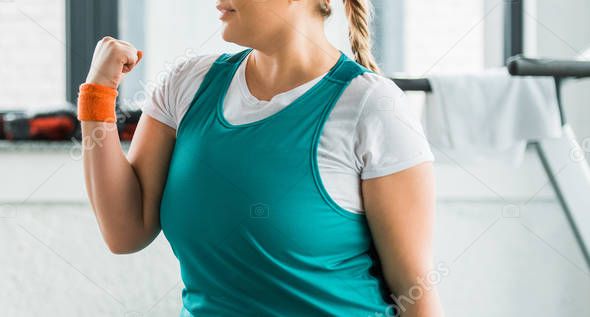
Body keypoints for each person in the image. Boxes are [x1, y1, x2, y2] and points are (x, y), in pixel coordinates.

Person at [78, 0, 443, 316]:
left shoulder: (372, 107)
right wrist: (97, 97)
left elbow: (414, 290)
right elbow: (125, 232)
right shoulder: (184, 85)